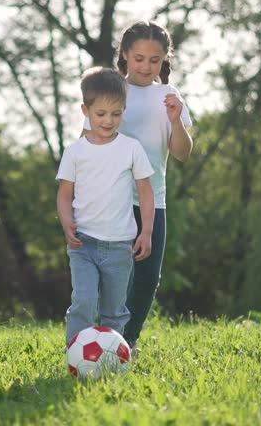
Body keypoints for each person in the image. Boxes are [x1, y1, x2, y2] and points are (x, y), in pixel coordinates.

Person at [83, 21, 194, 353]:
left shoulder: (169, 97)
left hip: (151, 202)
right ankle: (94, 339)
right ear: (125, 56)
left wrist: (175, 121)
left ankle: (124, 344)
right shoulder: (112, 91)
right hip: (109, 199)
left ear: (164, 60)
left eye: (155, 60)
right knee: (108, 277)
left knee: (146, 279)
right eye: (139, 58)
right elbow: (86, 141)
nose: (146, 66)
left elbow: (182, 154)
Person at [56, 67, 156, 347]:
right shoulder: (75, 152)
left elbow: (146, 193)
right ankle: (74, 356)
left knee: (114, 312)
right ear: (85, 111)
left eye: (116, 113)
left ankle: (113, 359)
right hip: (83, 245)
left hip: (119, 246)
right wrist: (66, 224)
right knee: (83, 303)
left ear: (124, 110)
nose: (109, 120)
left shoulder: (131, 148)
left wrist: (146, 232)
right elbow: (64, 195)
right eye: (101, 114)